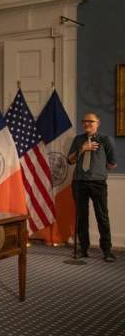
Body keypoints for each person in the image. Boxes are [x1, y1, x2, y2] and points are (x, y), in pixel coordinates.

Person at [67, 112, 117, 262]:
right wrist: (82, 149)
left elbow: (112, 163)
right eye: (85, 121)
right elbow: (70, 160)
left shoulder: (106, 140)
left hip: (97, 183)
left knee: (102, 216)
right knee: (81, 217)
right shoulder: (78, 140)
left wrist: (98, 171)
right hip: (79, 182)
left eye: (91, 121)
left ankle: (107, 250)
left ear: (98, 123)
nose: (87, 123)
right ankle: (83, 248)